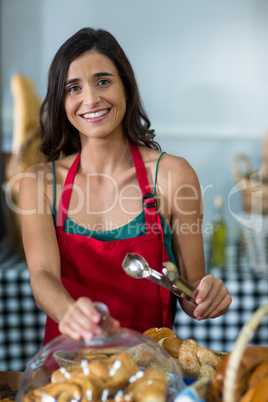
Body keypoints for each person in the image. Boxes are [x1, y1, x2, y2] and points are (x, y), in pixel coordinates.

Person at [19, 27, 232, 345]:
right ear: (62, 101)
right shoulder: (39, 183)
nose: (90, 99)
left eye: (103, 81)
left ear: (127, 89)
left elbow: (189, 289)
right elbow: (43, 276)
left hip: (152, 371)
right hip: (70, 366)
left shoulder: (173, 176)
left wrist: (205, 296)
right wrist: (70, 312)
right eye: (73, 88)